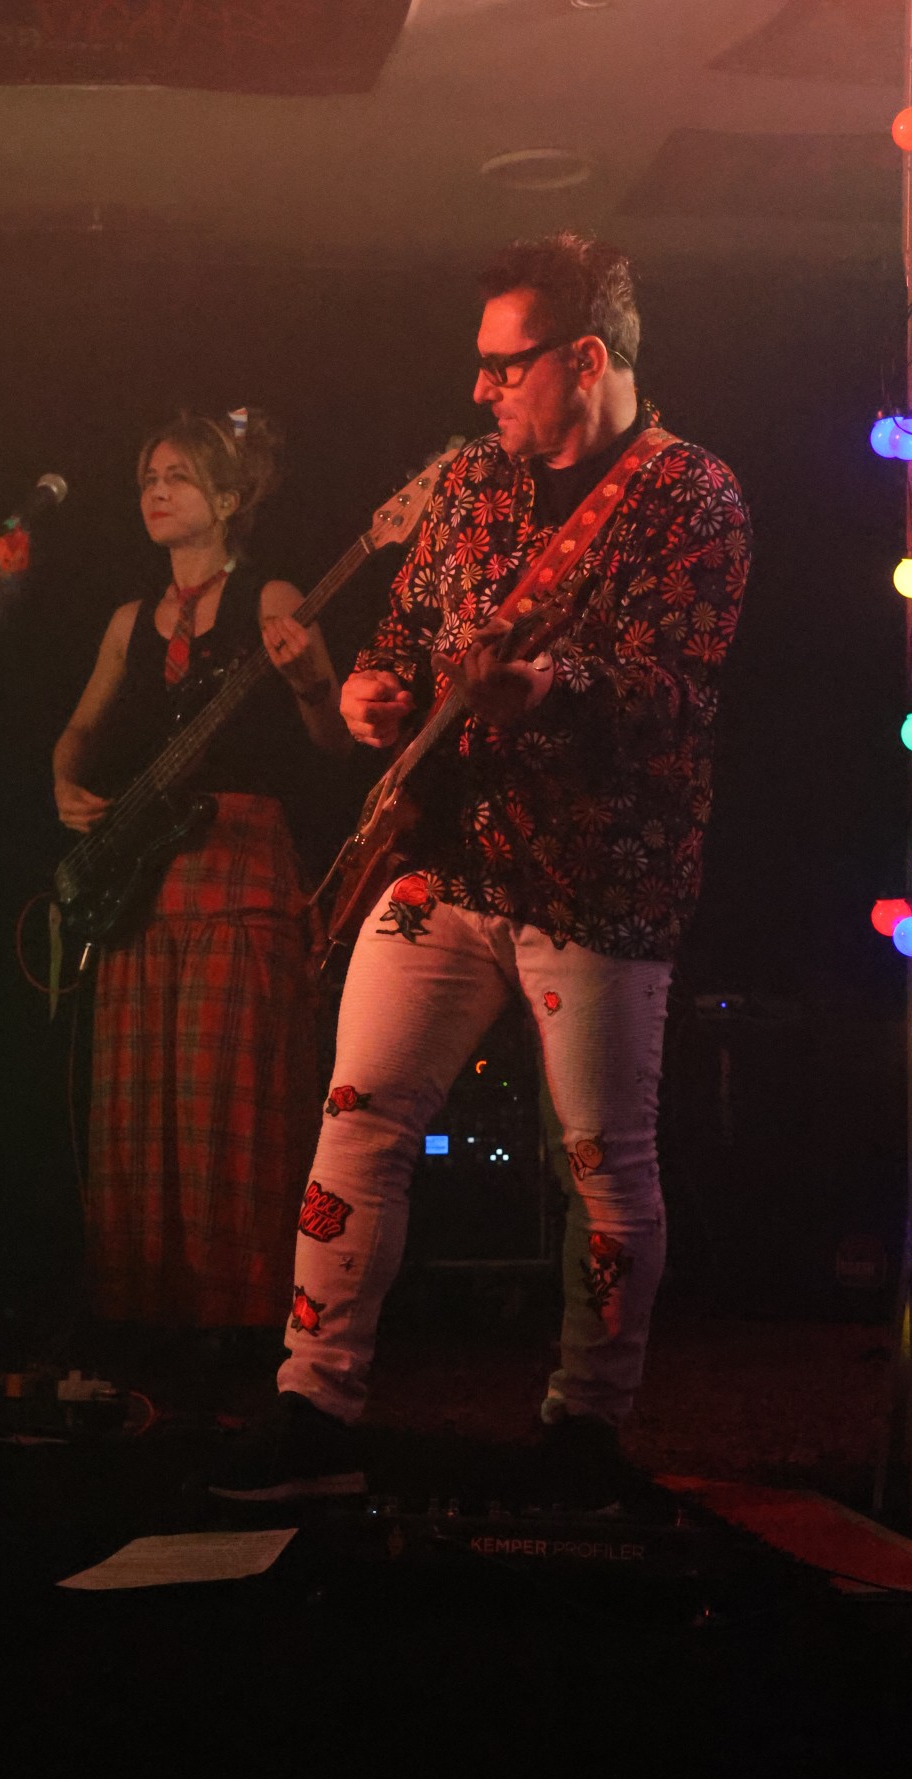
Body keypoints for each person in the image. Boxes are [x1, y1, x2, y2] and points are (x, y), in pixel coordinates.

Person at [210, 235, 752, 1510]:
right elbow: (403, 632)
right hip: (444, 862)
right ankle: (313, 1402)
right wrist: (369, 689)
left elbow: (677, 691)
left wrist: (547, 688)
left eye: (507, 367)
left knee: (603, 1166)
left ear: (587, 359)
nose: (481, 391)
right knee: (358, 1118)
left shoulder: (695, 496)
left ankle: (586, 1429)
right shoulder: (470, 482)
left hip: (599, 885)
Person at [53, 407, 348, 1347]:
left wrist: (309, 684)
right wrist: (63, 780)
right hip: (142, 880)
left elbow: (334, 737)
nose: (156, 491)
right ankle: (147, 1324)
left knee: (228, 1104)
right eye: (148, 478)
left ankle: (249, 1326)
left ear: (226, 500)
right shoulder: (129, 621)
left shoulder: (272, 598)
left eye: (177, 476)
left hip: (241, 867)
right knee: (138, 1103)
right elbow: (81, 728)